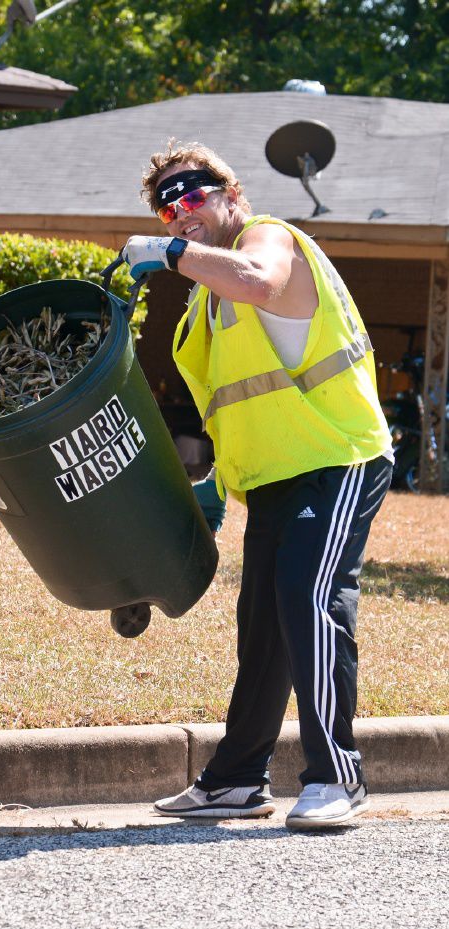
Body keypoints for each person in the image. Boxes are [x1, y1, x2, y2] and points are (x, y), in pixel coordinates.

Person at [120, 141, 393, 830]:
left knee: (310, 596)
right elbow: (225, 415)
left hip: (338, 458)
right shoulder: (205, 309)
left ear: (230, 194)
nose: (178, 213)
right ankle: (237, 779)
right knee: (263, 625)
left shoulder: (265, 238)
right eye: (165, 207)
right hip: (275, 476)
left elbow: (262, 281)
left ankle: (338, 776)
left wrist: (172, 255)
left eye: (192, 196)